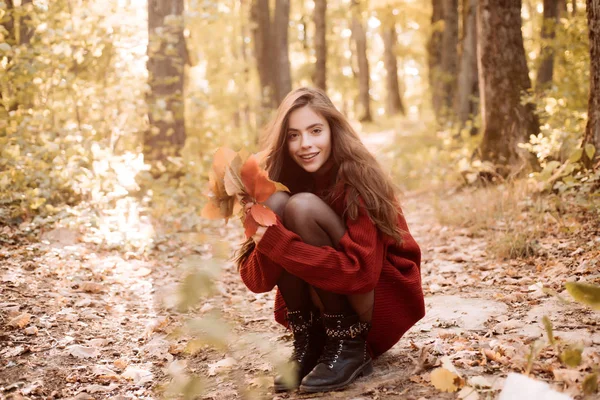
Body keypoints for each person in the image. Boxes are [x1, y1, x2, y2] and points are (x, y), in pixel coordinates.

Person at [235, 87, 425, 393]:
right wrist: (263, 234)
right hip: (332, 300)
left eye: (315, 131)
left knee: (302, 206)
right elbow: (256, 281)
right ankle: (308, 341)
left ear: (333, 131)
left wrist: (278, 242)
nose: (305, 144)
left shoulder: (361, 177)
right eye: (294, 135)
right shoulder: (277, 184)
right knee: (281, 203)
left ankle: (348, 344)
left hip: (379, 299)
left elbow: (361, 274)